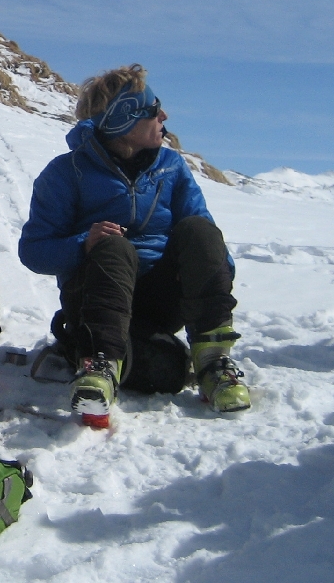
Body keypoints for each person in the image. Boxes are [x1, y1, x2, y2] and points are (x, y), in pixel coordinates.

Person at [18, 64, 250, 426]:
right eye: (153, 110)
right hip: (95, 300)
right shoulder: (67, 172)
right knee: (114, 245)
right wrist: (84, 244)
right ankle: (100, 366)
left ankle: (213, 362)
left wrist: (215, 278)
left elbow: (206, 241)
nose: (164, 116)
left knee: (200, 231)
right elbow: (34, 250)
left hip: (159, 300)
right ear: (122, 123)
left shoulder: (171, 166)